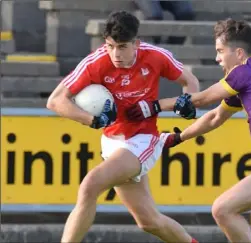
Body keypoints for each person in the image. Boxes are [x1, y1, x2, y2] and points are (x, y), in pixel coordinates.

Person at [126, 18, 251, 243]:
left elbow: (203, 98)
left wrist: (155, 105)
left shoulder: (247, 71)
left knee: (222, 209)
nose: (217, 58)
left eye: (220, 51)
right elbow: (215, 116)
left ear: (239, 53)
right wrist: (177, 138)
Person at [46, 10, 200, 243]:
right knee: (149, 221)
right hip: (112, 142)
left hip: (142, 140)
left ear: (136, 44)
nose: (115, 54)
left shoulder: (156, 56)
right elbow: (55, 101)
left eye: (122, 47)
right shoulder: (96, 62)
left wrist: (186, 102)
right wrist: (92, 120)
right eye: (110, 46)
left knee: (90, 185)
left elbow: (190, 82)